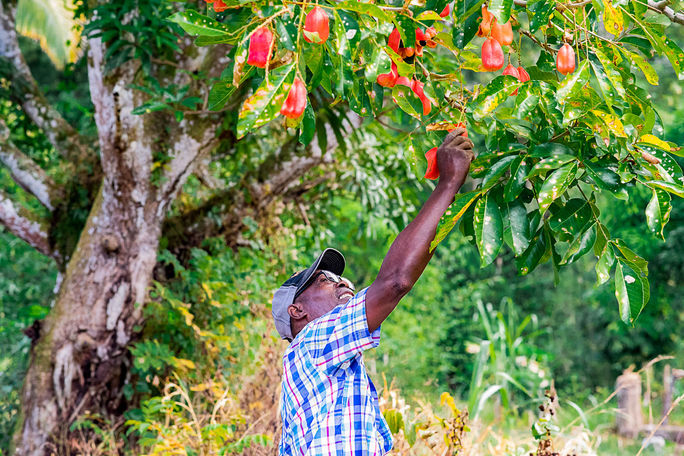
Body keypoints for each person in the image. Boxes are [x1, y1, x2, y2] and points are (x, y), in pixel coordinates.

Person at [271, 128, 474, 455]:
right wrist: (448, 184)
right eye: (325, 280)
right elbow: (395, 282)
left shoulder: (329, 372)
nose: (344, 283)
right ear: (298, 311)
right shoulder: (311, 343)